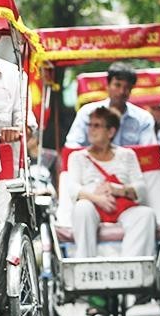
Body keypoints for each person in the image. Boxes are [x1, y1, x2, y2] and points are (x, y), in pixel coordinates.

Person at [65, 106, 155, 258]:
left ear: (111, 132)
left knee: (146, 214)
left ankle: (130, 268)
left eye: (97, 125)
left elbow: (142, 190)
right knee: (82, 208)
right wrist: (97, 199)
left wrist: (116, 189)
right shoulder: (77, 157)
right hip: (91, 204)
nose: (91, 130)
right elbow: (73, 189)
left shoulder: (127, 155)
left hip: (122, 206)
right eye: (90, 125)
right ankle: (86, 266)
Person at [65, 62, 156, 147]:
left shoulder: (144, 119)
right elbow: (73, 145)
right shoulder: (87, 113)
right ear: (108, 86)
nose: (121, 92)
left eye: (127, 87)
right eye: (117, 85)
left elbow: (148, 151)